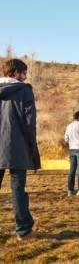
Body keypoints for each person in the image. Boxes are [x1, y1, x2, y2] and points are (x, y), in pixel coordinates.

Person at [0, 58, 41, 241]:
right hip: (16, 147)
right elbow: (29, 122)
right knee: (18, 190)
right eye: (24, 73)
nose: (25, 77)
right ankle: (23, 231)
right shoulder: (25, 90)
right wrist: (32, 146)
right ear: (16, 72)